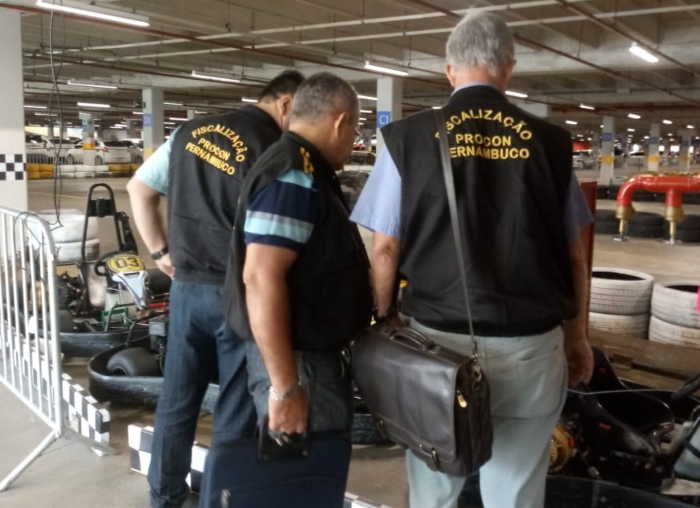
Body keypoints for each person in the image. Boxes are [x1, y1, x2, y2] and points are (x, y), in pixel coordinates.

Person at [350, 11, 595, 508]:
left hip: (435, 348)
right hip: (530, 348)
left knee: (435, 484)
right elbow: (576, 253)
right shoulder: (550, 144)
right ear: (508, 68)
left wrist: (383, 318)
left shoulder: (407, 140)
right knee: (517, 489)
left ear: (448, 71)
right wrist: (577, 334)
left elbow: (383, 247)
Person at [126, 69, 305, 508]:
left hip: (186, 289)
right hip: (237, 295)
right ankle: (219, 501)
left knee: (176, 403)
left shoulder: (188, 132)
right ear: (285, 104)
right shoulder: (276, 149)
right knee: (234, 410)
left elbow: (138, 189)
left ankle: (164, 499)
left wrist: (160, 252)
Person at [223, 72, 372, 451]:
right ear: (341, 121)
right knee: (306, 481)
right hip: (302, 365)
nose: (354, 142)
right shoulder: (293, 173)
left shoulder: (304, 167)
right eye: (355, 130)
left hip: (307, 360)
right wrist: (285, 387)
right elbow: (259, 277)